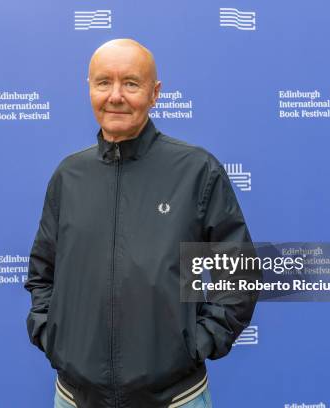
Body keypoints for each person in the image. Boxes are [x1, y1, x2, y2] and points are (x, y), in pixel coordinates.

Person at [24, 39, 260, 408]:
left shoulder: (196, 172)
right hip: (75, 398)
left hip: (175, 398)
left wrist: (193, 345)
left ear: (155, 93)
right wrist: (51, 334)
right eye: (104, 82)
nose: (115, 96)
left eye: (131, 83)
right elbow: (43, 273)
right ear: (89, 87)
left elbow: (238, 275)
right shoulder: (69, 176)